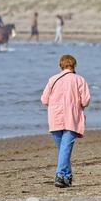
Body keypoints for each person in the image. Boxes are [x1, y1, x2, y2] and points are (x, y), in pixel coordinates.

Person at [41, 55, 91, 188]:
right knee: (65, 148)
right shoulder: (79, 79)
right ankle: (60, 174)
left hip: (55, 117)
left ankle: (67, 177)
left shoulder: (53, 79)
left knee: (64, 149)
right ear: (74, 66)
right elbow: (85, 101)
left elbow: (44, 100)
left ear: (60, 66)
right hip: (71, 118)